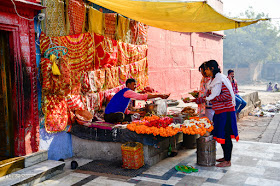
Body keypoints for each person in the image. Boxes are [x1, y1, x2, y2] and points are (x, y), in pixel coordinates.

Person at [204, 60, 239, 167]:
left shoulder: (221, 79)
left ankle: (228, 161)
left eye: (206, 69)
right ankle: (225, 157)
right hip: (219, 111)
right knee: (222, 134)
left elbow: (227, 96)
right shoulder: (214, 80)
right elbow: (212, 95)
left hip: (226, 112)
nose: (205, 71)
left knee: (226, 135)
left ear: (212, 69)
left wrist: (213, 99)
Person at [104, 78, 170, 123]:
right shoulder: (127, 91)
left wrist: (137, 113)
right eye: (134, 85)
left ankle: (122, 120)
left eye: (135, 85)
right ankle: (120, 121)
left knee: (132, 117)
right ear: (128, 85)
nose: (135, 86)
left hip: (115, 114)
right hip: (109, 116)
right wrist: (159, 95)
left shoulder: (125, 93)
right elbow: (141, 97)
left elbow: (126, 110)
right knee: (121, 116)